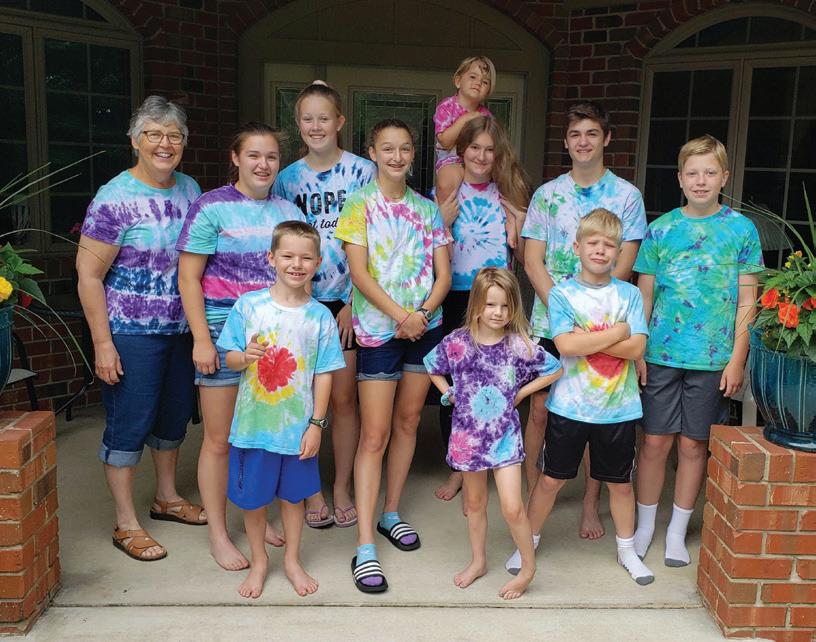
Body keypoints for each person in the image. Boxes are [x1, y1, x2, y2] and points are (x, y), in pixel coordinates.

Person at [77, 95, 205, 562]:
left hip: (181, 329)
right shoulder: (114, 198)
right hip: (129, 332)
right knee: (129, 421)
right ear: (135, 141)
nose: (164, 144)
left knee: (173, 417)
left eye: (174, 135)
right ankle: (126, 522)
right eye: (153, 134)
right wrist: (103, 343)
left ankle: (166, 497)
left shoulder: (190, 189)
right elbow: (88, 275)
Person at [176, 122, 304, 571]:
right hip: (221, 335)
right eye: (253, 155)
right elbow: (188, 277)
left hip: (276, 344)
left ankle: (256, 517)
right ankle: (218, 532)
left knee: (261, 437)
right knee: (218, 439)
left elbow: (298, 275)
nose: (263, 164)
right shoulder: (211, 207)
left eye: (271, 156)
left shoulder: (287, 211)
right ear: (235, 158)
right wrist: (201, 339)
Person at [632, 135, 762, 567]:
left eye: (709, 173)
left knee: (692, 445)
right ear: (680, 179)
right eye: (692, 173)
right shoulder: (661, 230)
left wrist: (737, 359)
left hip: (713, 359)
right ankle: (645, 526)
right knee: (654, 442)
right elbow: (644, 298)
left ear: (724, 177)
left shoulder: (741, 230)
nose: (701, 181)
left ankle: (676, 530)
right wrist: (637, 351)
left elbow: (747, 302)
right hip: (661, 355)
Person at [520, 101, 647, 541]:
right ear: (566, 142)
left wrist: (594, 322)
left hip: (606, 319)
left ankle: (591, 503)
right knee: (541, 409)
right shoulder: (547, 195)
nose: (583, 142)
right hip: (552, 319)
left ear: (606, 138)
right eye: (575, 135)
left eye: (592, 133)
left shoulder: (627, 196)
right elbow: (532, 260)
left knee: (599, 408)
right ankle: (535, 494)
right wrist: (565, 309)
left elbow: (624, 265)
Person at [507, 208, 654, 585]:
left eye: (609, 245)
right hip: (569, 408)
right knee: (550, 480)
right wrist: (617, 333)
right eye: (593, 243)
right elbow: (566, 345)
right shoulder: (562, 294)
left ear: (619, 252)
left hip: (618, 410)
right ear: (577, 247)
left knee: (621, 484)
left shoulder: (629, 294)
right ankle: (527, 544)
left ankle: (627, 551)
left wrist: (589, 339)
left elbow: (638, 348)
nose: (600, 250)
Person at [335, 119, 451, 593]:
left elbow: (444, 276)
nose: (397, 156)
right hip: (380, 331)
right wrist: (401, 316)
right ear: (372, 152)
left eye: (404, 148)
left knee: (408, 422)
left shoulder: (427, 209)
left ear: (413, 153)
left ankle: (390, 513)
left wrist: (420, 314)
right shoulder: (358, 204)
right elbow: (359, 274)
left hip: (424, 328)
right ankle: (364, 545)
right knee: (374, 433)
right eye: (388, 148)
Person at [217, 221, 345, 598]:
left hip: (297, 430)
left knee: (293, 499)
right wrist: (245, 356)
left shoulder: (320, 317)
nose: (296, 264)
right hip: (254, 427)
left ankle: (292, 560)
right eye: (288, 256)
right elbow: (230, 359)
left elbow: (324, 374)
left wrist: (317, 424)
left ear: (317, 263)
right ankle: (260, 561)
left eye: (306, 258)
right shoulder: (249, 306)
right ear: (271, 258)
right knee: (254, 501)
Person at [273, 81, 376, 529]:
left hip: (347, 302)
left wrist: (354, 301)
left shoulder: (363, 172)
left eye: (324, 118)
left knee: (344, 398)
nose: (316, 126)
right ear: (299, 124)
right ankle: (311, 489)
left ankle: (341, 486)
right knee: (302, 398)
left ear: (340, 122)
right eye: (307, 118)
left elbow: (377, 240)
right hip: (301, 303)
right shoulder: (287, 179)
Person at [424, 267, 561, 599]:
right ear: (476, 305)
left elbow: (554, 368)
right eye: (490, 305)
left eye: (505, 305)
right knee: (475, 503)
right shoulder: (457, 342)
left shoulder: (518, 345)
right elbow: (432, 365)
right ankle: (478, 561)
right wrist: (448, 393)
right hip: (467, 437)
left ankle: (528, 568)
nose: (498, 312)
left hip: (504, 438)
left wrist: (522, 393)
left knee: (512, 507)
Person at [434, 115, 531, 502]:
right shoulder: (448, 190)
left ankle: (497, 454)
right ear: (462, 151)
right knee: (460, 382)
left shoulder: (508, 192)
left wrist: (518, 228)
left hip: (499, 299)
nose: (481, 155)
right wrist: (441, 223)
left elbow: (524, 257)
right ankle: (460, 468)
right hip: (458, 296)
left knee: (498, 380)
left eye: (490, 149)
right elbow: (430, 250)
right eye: (474, 147)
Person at [433, 56, 495, 205]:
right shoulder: (446, 107)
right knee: (447, 182)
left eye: (485, 82)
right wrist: (466, 118)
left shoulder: (486, 116)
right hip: (452, 159)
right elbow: (445, 142)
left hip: (480, 160)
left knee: (507, 179)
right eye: (473, 77)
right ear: (458, 81)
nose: (478, 83)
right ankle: (445, 216)